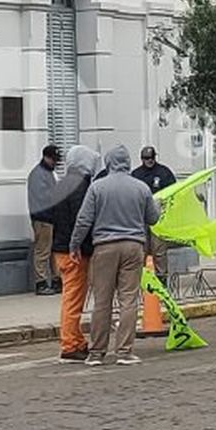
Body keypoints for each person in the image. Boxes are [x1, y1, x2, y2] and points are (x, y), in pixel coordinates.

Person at [71, 145, 162, 366]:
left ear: (109, 163)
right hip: (133, 246)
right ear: (129, 163)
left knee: (102, 300)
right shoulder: (141, 188)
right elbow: (153, 219)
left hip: (104, 247)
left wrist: (74, 244)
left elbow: (84, 220)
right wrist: (156, 205)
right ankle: (124, 351)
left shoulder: (97, 188)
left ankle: (96, 352)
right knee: (128, 300)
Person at [49, 146, 100, 362]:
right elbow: (82, 218)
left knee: (73, 297)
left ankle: (76, 340)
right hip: (74, 250)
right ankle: (70, 344)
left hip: (62, 247)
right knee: (73, 299)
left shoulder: (62, 184)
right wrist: (78, 244)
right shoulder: (81, 186)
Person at [132, 146, 177, 276]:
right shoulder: (136, 175)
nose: (150, 160)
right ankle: (140, 285)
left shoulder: (164, 172)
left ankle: (162, 284)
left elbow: (173, 192)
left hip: (159, 219)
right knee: (141, 252)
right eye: (147, 158)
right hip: (141, 219)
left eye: (152, 158)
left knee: (160, 252)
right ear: (142, 159)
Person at [28, 146, 62, 295]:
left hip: (51, 218)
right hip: (43, 218)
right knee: (42, 251)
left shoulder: (49, 173)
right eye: (54, 160)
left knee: (53, 251)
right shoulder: (38, 174)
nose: (55, 163)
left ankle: (56, 279)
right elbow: (43, 197)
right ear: (46, 158)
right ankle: (40, 283)